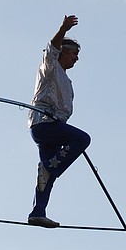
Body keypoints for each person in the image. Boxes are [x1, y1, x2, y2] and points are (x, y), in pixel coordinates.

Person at [26, 15, 91, 228]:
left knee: (46, 178)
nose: (76, 58)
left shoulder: (66, 80)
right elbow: (52, 48)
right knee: (82, 139)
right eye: (74, 53)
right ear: (62, 52)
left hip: (52, 128)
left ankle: (37, 212)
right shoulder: (50, 66)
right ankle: (51, 167)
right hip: (45, 124)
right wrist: (63, 28)